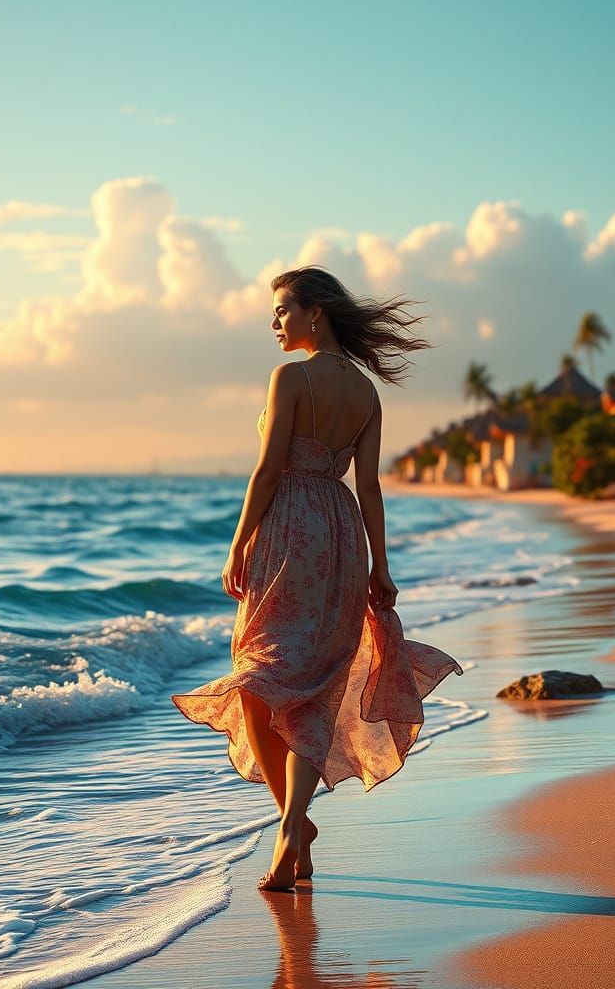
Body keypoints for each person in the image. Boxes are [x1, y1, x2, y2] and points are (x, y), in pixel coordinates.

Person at [171, 265, 465, 892]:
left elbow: (268, 471)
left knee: (258, 675)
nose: (274, 323)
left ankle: (290, 826)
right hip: (341, 537)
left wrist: (237, 543)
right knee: (310, 684)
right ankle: (294, 825)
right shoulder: (364, 392)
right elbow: (371, 490)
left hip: (288, 533)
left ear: (316, 312)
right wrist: (380, 566)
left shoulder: (291, 377)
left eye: (282, 310)